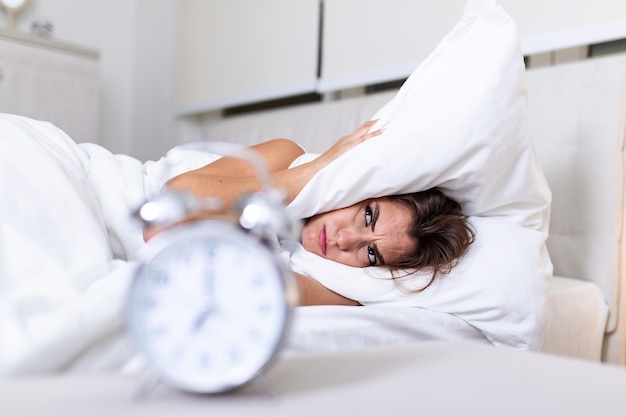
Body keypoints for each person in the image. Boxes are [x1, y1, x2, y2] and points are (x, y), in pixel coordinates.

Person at [151, 121, 475, 307]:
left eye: (371, 254)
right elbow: (159, 219)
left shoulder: (343, 288)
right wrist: (320, 168)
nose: (345, 239)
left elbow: (252, 285)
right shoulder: (286, 156)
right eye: (367, 216)